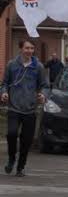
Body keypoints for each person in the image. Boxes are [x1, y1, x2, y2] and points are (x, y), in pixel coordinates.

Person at [1, 39, 47, 177]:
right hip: (14, 107)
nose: (29, 51)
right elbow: (4, 83)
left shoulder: (38, 67)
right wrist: (3, 92)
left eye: (32, 48)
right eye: (27, 48)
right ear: (21, 49)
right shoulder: (12, 65)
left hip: (30, 109)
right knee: (11, 134)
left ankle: (20, 167)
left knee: (26, 140)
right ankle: (11, 159)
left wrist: (42, 95)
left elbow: (44, 85)